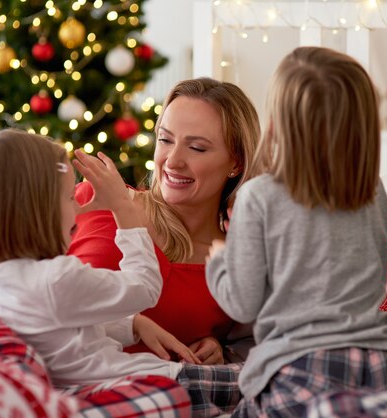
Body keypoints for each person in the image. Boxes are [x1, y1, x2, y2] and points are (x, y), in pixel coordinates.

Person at [0, 129, 242, 417]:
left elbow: (55, 320)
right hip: (139, 379)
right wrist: (123, 210)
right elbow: (146, 286)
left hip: (92, 383)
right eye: (71, 197)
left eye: (196, 146)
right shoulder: (56, 277)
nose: (80, 206)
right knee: (261, 379)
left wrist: (132, 325)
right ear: (38, 211)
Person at [206, 46, 387, 418]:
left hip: (303, 366)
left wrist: (220, 262)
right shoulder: (371, 192)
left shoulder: (259, 195)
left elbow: (242, 303)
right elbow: (376, 276)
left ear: (278, 121)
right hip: (386, 362)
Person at [68, 77, 260, 364]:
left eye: (197, 148)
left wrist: (221, 351)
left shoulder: (237, 265)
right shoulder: (95, 201)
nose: (172, 161)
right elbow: (9, 259)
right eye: (165, 140)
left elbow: (248, 346)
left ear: (236, 163)